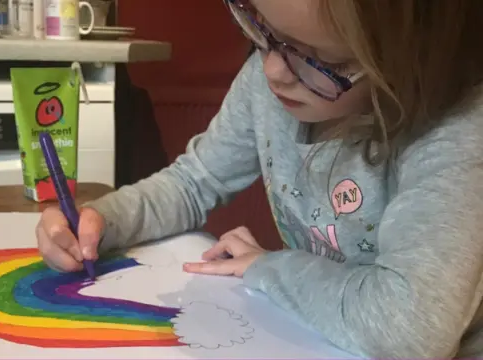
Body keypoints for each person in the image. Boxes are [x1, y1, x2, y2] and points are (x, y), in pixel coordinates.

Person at [36, 0, 483, 358]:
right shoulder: (269, 82)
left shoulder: (456, 133)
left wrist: (269, 268)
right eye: (260, 28)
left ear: (409, 61)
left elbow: (407, 330)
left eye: (317, 58)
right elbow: (193, 182)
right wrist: (104, 219)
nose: (272, 70)